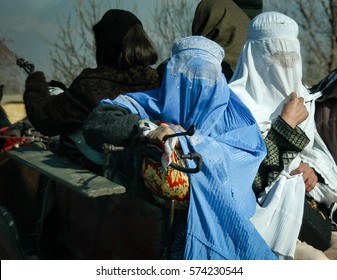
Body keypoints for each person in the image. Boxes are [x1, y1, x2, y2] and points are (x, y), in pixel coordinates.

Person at [83, 35, 277, 260]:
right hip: (149, 222)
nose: (196, 84)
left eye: (207, 76)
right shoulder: (150, 103)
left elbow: (242, 159)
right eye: (185, 74)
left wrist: (183, 140)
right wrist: (148, 129)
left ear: (220, 80)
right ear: (171, 74)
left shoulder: (235, 119)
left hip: (216, 221)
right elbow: (97, 123)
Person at [229, 11, 337, 259]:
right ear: (256, 58)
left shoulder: (305, 100)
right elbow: (248, 181)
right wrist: (286, 126)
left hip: (308, 217)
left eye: (292, 58)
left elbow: (319, 156)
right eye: (279, 58)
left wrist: (313, 172)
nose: (287, 67)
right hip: (258, 224)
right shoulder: (235, 106)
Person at [23, 9, 160, 169]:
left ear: (107, 44)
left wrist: (35, 82)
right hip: (149, 171)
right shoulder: (156, 81)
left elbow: (45, 118)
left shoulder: (91, 84)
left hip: (101, 174)